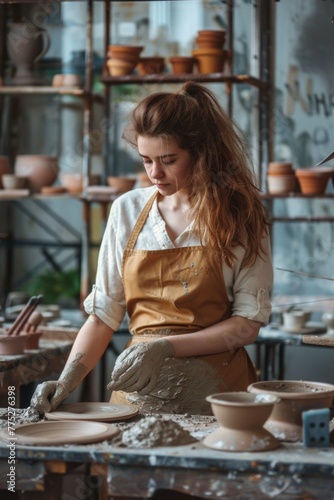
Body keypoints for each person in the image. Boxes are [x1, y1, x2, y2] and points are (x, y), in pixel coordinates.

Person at [31, 82, 273, 416]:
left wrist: (166, 347)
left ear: (202, 153)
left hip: (219, 398)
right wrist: (67, 379)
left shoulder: (241, 215)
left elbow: (247, 325)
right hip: (136, 398)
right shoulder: (127, 210)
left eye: (169, 160)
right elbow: (103, 317)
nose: (155, 173)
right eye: (146, 160)